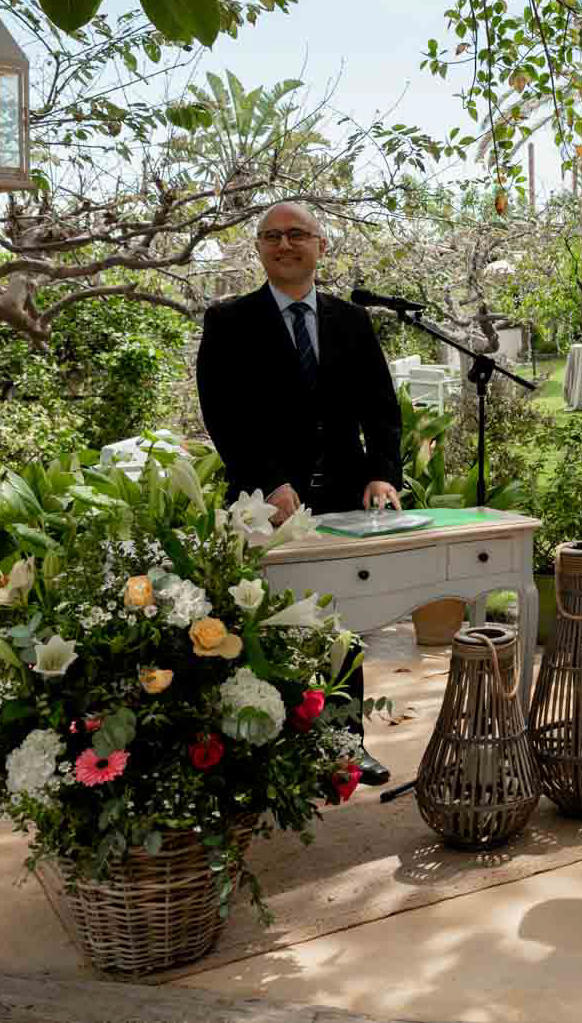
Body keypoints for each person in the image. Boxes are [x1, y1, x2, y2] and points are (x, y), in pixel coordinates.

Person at [197, 198, 403, 784]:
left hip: (343, 502)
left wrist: (382, 472)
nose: (284, 246)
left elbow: (382, 411)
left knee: (343, 623)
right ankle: (271, 755)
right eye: (271, 237)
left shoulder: (351, 322)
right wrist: (270, 482)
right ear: (259, 249)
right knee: (263, 630)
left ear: (320, 245)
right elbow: (223, 416)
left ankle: (345, 746)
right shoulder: (229, 322)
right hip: (263, 506)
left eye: (297, 235)